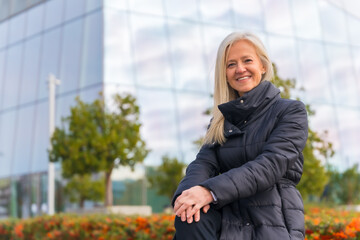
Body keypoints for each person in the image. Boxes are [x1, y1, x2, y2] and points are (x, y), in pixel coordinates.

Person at [172, 32, 308, 240]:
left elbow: (269, 166)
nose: (240, 69)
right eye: (231, 64)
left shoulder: (290, 111)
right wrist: (186, 197)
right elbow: (202, 164)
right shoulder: (220, 122)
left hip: (273, 218)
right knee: (190, 216)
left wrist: (209, 192)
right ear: (224, 74)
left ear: (263, 66)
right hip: (229, 218)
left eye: (247, 60)